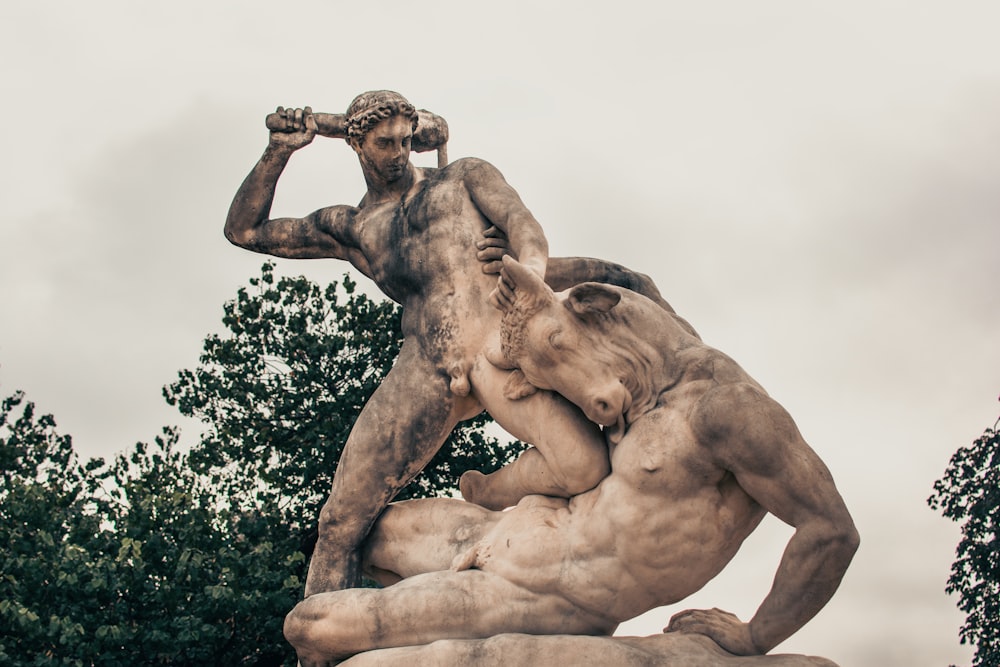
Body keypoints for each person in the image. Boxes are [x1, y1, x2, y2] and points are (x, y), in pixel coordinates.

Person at [281, 259, 860, 666]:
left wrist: (756, 636)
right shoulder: (643, 370)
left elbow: (830, 530)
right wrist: (514, 267)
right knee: (362, 531)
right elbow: (627, 282)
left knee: (312, 626)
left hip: (551, 594)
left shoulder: (725, 412)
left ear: (593, 313)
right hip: (512, 526)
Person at [225, 91, 673, 595]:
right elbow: (245, 230)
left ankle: (500, 487)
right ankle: (322, 639)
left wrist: (528, 279)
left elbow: (524, 225)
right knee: (340, 521)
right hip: (429, 363)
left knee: (626, 287)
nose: (397, 153)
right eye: (383, 143)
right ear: (357, 143)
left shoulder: (461, 176)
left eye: (404, 140)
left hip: (502, 335)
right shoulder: (351, 227)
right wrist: (279, 151)